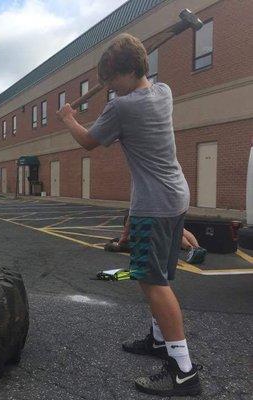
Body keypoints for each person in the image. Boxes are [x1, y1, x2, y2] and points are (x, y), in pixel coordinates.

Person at [57, 34, 201, 396]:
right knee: (161, 273)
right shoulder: (163, 92)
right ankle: (157, 340)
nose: (108, 89)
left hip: (156, 203)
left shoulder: (123, 108)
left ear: (126, 72)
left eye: (110, 80)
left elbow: (88, 141)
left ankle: (183, 370)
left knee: (153, 281)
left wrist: (66, 118)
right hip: (173, 196)